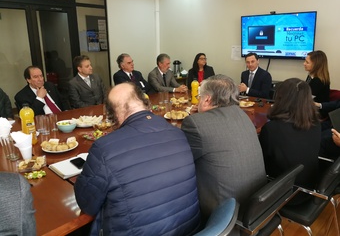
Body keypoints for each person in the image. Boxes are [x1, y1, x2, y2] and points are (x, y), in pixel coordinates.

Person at [74, 82, 201, 235]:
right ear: (144, 101)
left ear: (112, 115)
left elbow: (87, 204)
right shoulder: (178, 133)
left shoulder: (104, 148)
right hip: (190, 230)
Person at [181, 74, 267, 225]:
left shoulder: (195, 124)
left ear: (207, 99)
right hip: (258, 202)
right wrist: (200, 117)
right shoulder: (243, 114)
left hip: (225, 210)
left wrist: (197, 119)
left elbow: (181, 162)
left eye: (199, 96)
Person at [259, 78, 321, 193]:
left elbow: (260, 164)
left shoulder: (272, 129)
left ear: (280, 99)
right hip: (309, 189)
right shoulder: (315, 123)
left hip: (281, 194)